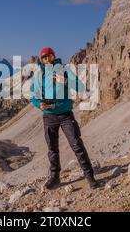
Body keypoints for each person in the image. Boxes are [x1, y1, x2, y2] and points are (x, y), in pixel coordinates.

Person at [31, 47, 99, 190]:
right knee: (52, 148)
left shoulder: (64, 70)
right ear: (41, 60)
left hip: (65, 115)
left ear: (54, 56)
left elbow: (80, 87)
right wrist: (40, 104)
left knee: (76, 144)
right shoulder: (39, 75)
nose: (47, 59)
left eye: (49, 56)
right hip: (49, 116)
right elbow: (34, 96)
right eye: (44, 57)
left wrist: (66, 81)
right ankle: (55, 178)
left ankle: (89, 176)